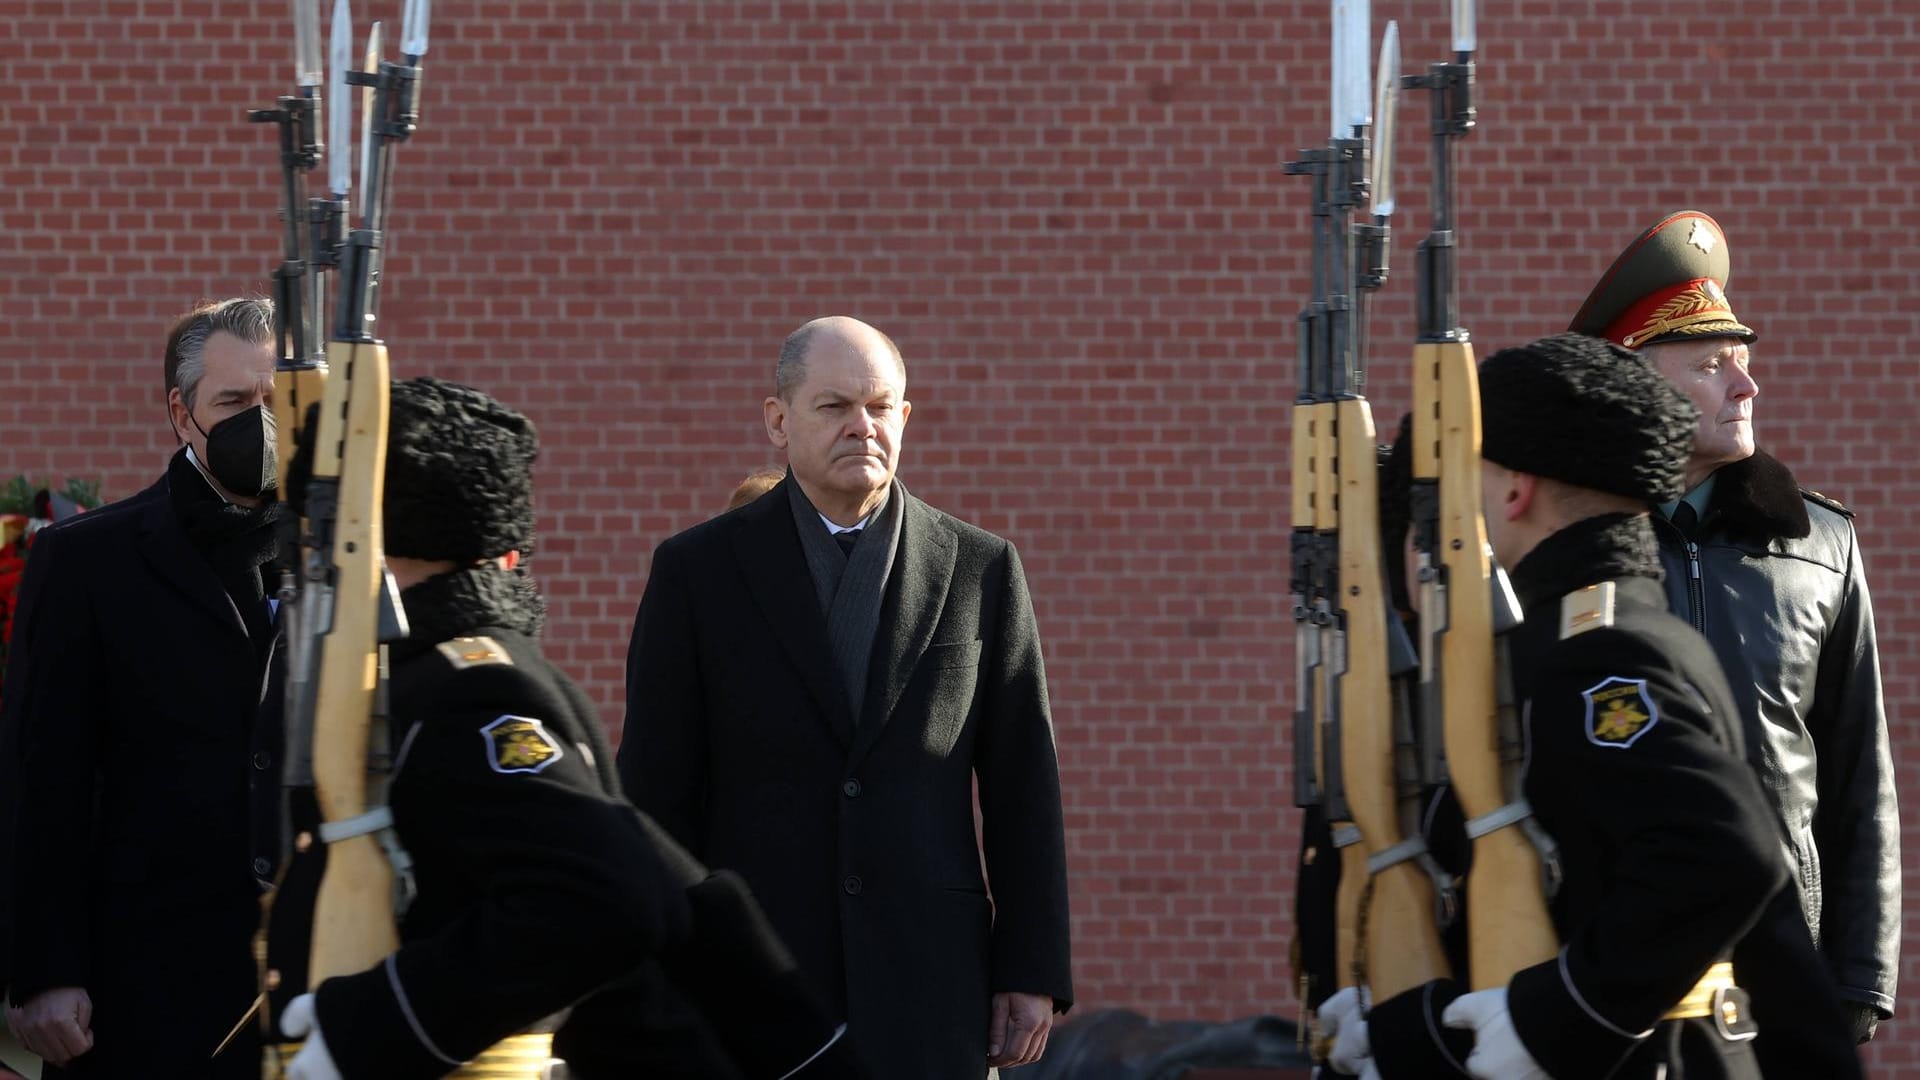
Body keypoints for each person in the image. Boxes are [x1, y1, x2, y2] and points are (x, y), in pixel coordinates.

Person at [273, 377, 861, 1080]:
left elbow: (601, 900)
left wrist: (383, 1021)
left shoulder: (475, 689)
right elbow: (686, 904)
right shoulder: (466, 674)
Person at [1318, 333, 1859, 1079]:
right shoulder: (1604, 637)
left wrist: (1559, 1018)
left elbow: (1723, 855)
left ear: (1513, 489)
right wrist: (1410, 1025)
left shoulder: (1600, 655)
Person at [621, 315, 1074, 1079]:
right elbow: (657, 792)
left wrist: (1031, 969)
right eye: (833, 407)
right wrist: (664, 967)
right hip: (758, 977)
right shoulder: (698, 573)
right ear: (778, 420)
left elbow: (1023, 783)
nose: (861, 426)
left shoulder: (980, 568)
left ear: (904, 417)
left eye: (879, 406)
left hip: (930, 979)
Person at [1570, 211, 1899, 1041]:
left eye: (1744, 363)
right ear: (1639, 384)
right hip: (1613, 979)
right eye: (1714, 366)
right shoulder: (1568, 547)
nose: (1747, 388)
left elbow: (1859, 773)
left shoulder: (1820, 543)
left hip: (1781, 972)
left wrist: (1860, 978)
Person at [0, 298, 286, 1078]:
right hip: (145, 992)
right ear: (181, 412)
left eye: (276, 402)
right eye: (234, 402)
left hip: (310, 992)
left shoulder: (348, 561)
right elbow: (42, 776)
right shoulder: (87, 562)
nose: (259, 423)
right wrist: (45, 972)